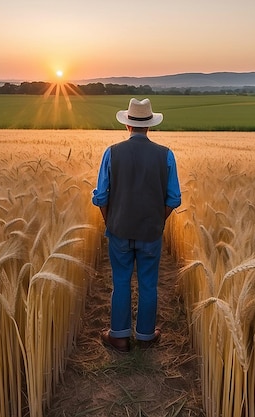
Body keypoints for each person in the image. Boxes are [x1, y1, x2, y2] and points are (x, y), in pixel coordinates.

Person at [92, 98, 182, 353]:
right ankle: (145, 335)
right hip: (150, 232)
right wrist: (156, 219)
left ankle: (118, 336)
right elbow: (174, 198)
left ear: (128, 126)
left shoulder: (112, 152)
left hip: (118, 229)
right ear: (149, 126)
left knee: (120, 282)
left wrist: (110, 220)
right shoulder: (166, 154)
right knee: (148, 283)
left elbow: (100, 196)